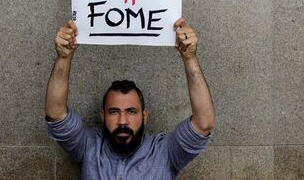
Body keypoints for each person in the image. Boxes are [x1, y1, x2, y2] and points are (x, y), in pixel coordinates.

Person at [45, 18, 215, 180]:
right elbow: (56, 113)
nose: (122, 121)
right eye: (113, 112)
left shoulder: (165, 151)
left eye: (131, 111)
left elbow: (203, 123)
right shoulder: (89, 147)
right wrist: (64, 57)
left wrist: (190, 58)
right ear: (102, 116)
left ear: (144, 115)